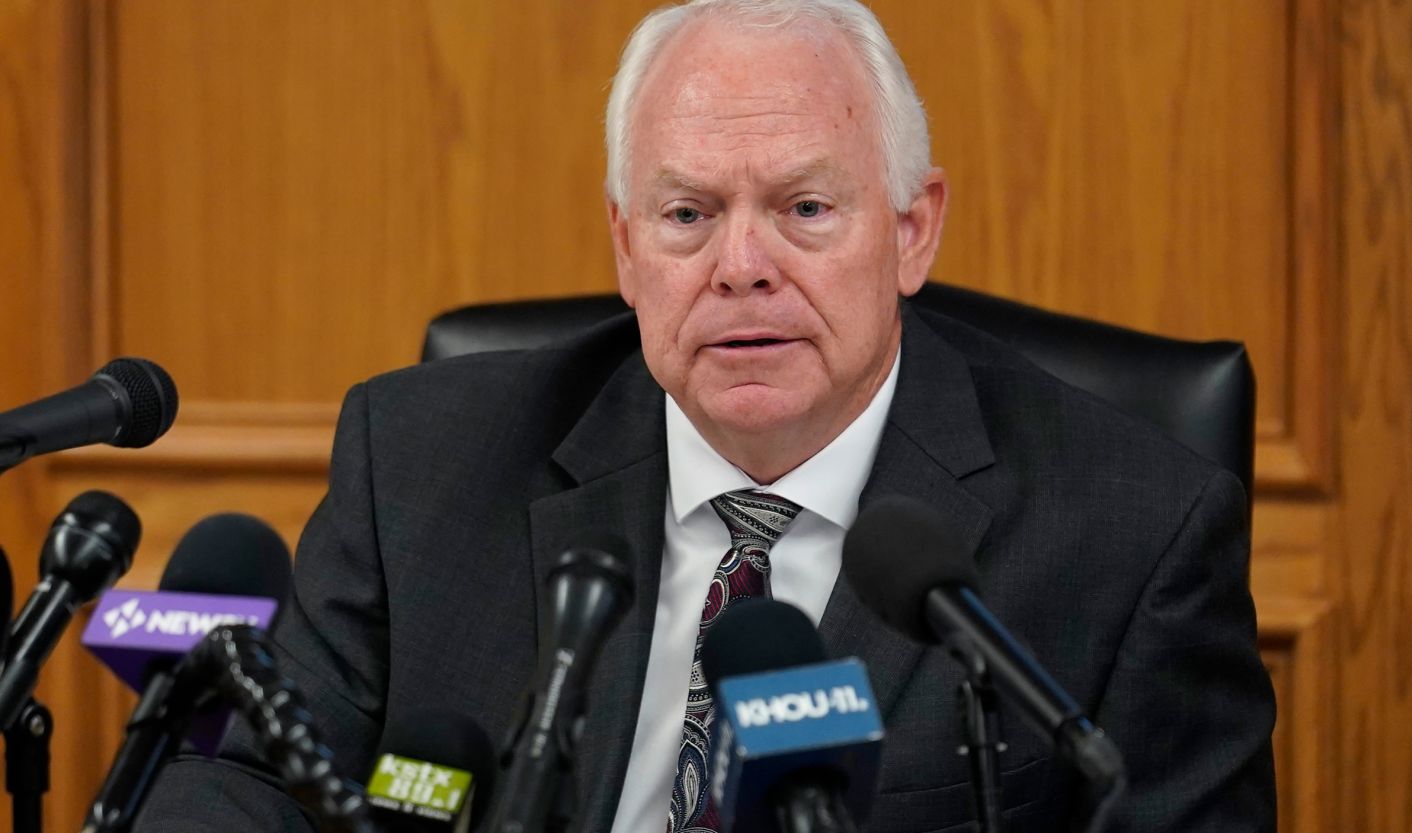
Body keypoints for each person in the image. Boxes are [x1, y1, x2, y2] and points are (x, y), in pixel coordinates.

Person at [138, 1, 1275, 831]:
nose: (741, 266)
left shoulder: (1132, 536)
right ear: (626, 246)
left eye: (805, 207)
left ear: (912, 229)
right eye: (687, 212)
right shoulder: (423, 463)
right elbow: (251, 783)